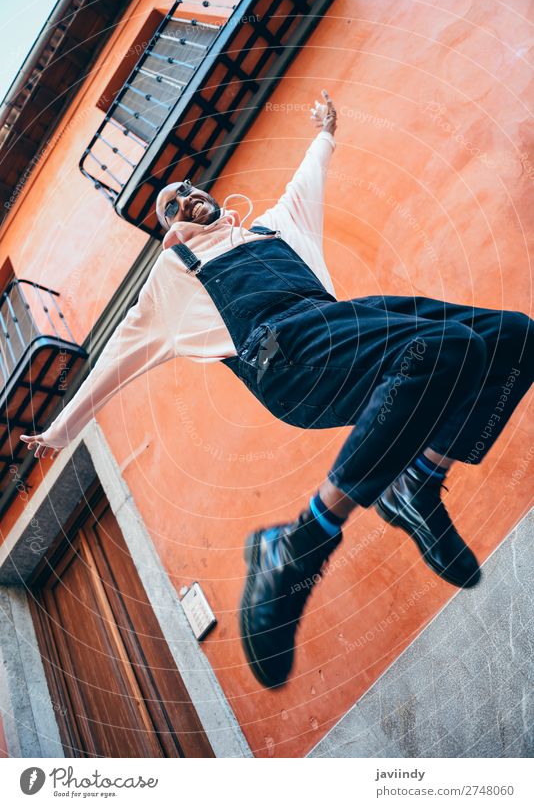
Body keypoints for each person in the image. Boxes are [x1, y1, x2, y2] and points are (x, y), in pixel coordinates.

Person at [20, 91, 534, 689]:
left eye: (187, 189)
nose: (185, 197)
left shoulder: (274, 227)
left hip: (347, 323)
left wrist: (327, 134)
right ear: (169, 231)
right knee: (451, 351)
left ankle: (419, 482)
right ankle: (302, 541)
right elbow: (114, 361)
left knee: (512, 338)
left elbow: (307, 176)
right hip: (288, 363)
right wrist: (60, 431)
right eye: (169, 206)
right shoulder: (173, 279)